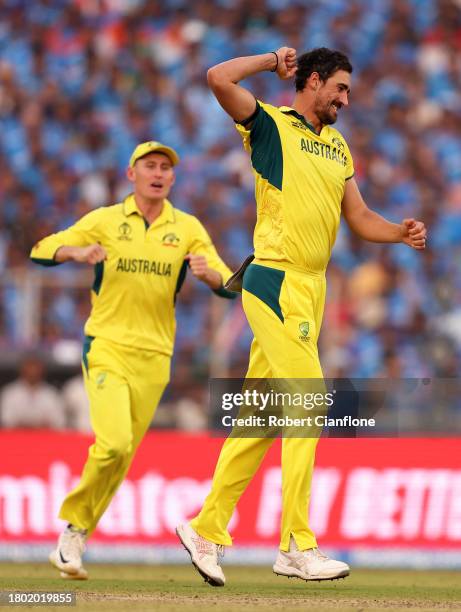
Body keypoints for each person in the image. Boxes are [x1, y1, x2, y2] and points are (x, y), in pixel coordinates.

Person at [176, 47, 427, 586]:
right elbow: (217, 76)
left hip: (312, 289)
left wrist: (399, 234)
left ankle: (205, 529)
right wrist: (270, 60)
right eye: (338, 88)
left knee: (260, 422)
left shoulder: (338, 146)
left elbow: (357, 217)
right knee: (309, 399)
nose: (344, 99)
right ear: (311, 81)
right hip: (274, 278)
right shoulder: (269, 126)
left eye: (349, 92)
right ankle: (296, 544)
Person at [30, 140, 236, 580]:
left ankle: (75, 534)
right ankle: (72, 530)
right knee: (115, 443)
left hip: (156, 357)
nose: (158, 173)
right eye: (149, 166)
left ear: (173, 178)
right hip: (106, 345)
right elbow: (43, 248)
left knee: (122, 457)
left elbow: (226, 282)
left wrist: (209, 274)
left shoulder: (187, 228)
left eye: (165, 167)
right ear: (132, 174)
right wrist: (76, 253)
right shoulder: (105, 220)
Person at [0, 353, 64, 429]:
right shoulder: (9, 392)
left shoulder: (51, 393)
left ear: (42, 369)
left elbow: (59, 422)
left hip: (45, 438)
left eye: (36, 367)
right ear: (22, 369)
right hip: (16, 438)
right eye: (29, 366)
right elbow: (6, 421)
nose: (33, 371)